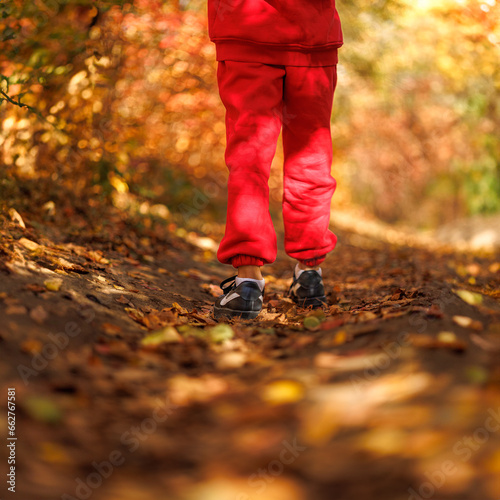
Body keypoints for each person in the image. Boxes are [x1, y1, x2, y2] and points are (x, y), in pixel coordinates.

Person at [208, 0, 343, 320]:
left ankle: (247, 282)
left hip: (245, 29)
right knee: (311, 157)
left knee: (248, 157)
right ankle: (309, 276)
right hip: (312, 33)